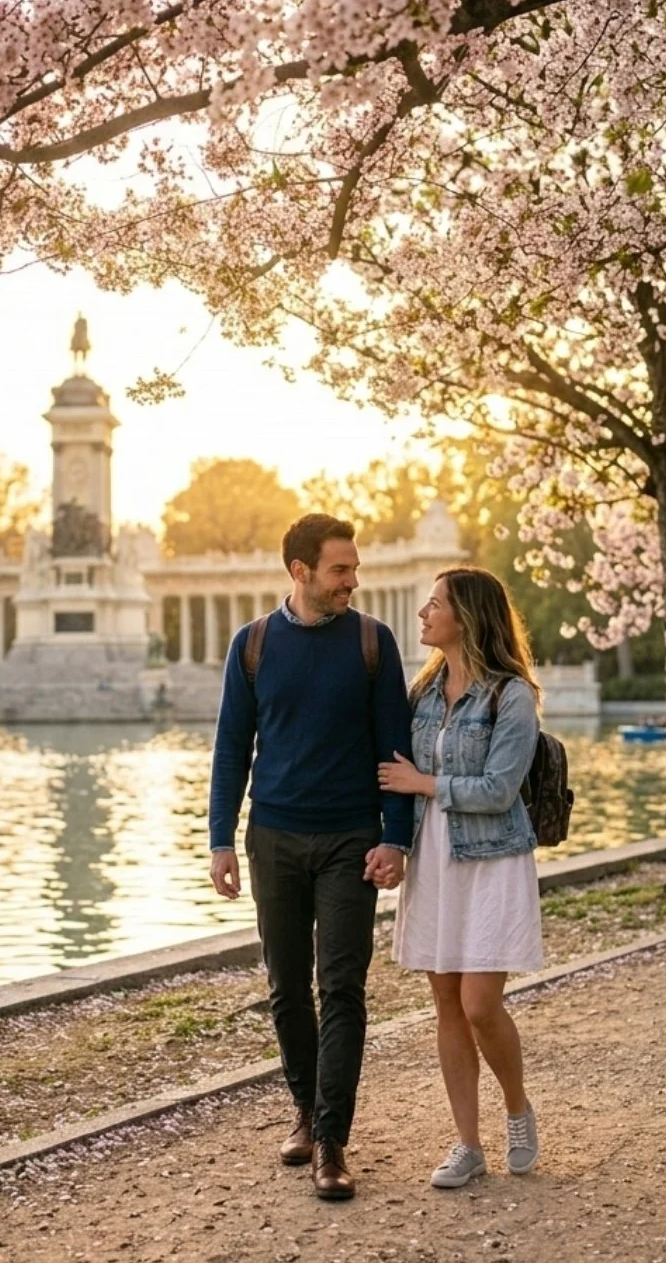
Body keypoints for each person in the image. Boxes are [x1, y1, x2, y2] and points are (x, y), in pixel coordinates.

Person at [209, 513, 414, 1202]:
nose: (353, 581)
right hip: (272, 838)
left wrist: (396, 837)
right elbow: (232, 749)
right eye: (340, 570)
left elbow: (396, 750)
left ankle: (331, 1139)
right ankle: (303, 1107)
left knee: (344, 988)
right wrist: (219, 839)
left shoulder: (372, 642)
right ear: (301, 572)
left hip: (350, 841)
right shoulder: (254, 644)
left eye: (354, 569)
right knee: (286, 987)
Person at [379, 567, 542, 1190]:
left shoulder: (512, 695)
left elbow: (500, 790)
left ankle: (518, 1109)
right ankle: (468, 1144)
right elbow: (390, 775)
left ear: (467, 616)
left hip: (492, 860)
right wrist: (390, 844)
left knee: (479, 1003)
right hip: (434, 859)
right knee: (445, 1002)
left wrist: (425, 784)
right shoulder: (420, 693)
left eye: (435, 604)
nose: (423, 612)